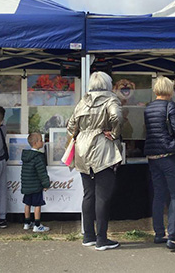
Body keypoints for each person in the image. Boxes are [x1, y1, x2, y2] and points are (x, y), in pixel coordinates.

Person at [66, 71, 123, 251]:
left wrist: (80, 135)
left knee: (88, 194)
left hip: (82, 150)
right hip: (102, 149)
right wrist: (113, 134)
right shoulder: (111, 100)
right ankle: (102, 239)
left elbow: (70, 126)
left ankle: (88, 236)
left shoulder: (83, 101)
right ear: (107, 84)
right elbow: (117, 117)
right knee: (102, 196)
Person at [144, 76, 175, 251]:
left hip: (153, 156)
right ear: (170, 90)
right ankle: (173, 236)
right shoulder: (171, 106)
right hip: (169, 155)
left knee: (159, 195)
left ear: (155, 90)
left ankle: (159, 233)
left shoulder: (148, 108)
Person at [20, 132, 50, 232]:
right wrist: (46, 184)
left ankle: (26, 223)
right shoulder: (38, 157)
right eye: (41, 140)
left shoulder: (25, 156)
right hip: (36, 185)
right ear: (36, 143)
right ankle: (37, 225)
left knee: (27, 204)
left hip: (27, 185)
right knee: (37, 204)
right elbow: (41, 172)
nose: (42, 142)